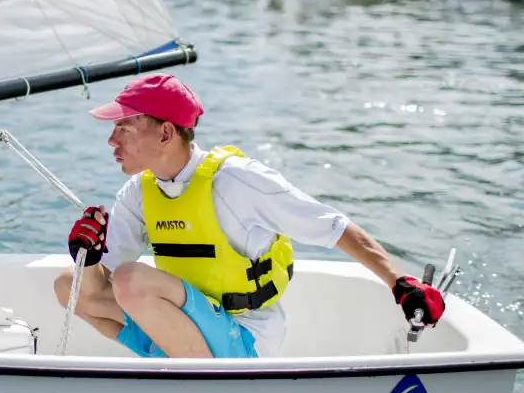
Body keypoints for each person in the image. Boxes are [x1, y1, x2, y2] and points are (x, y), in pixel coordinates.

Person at [53, 73, 445, 359]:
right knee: (68, 283)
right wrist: (85, 254)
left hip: (245, 338)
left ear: (166, 133)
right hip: (191, 331)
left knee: (131, 280)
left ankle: (199, 384)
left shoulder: (237, 181)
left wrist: (400, 284)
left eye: (123, 128)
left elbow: (335, 228)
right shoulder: (140, 191)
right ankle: (172, 362)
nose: (111, 140)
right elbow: (91, 291)